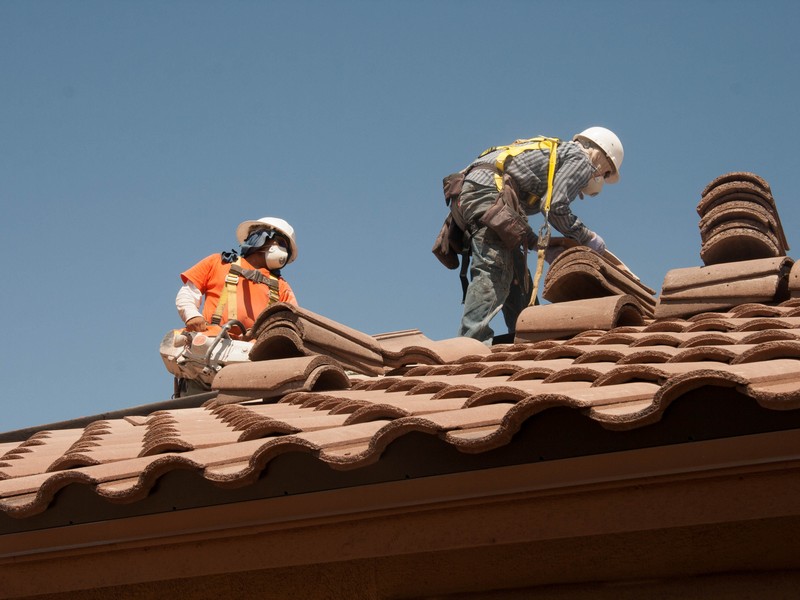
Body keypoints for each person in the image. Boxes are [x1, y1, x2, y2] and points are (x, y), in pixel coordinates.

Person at [453, 126, 624, 343]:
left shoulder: (556, 153)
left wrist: (536, 243)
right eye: (606, 173)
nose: (600, 176)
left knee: (517, 276)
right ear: (604, 158)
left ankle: (528, 337)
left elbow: (512, 211)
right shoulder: (582, 159)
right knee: (495, 269)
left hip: (476, 193)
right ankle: (470, 343)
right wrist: (586, 237)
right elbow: (554, 206)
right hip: (488, 193)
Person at [173, 217, 299, 396]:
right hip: (209, 353)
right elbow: (187, 293)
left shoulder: (281, 285)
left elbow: (292, 323)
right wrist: (192, 315)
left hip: (251, 361)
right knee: (196, 411)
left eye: (285, 246)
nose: (282, 251)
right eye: (279, 242)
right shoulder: (219, 263)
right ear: (260, 237)